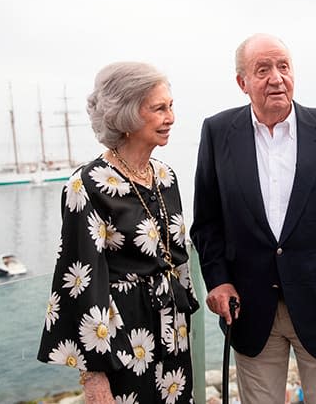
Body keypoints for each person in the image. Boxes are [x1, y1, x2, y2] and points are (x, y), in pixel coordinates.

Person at [191, 33, 316, 403]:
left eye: (283, 67)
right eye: (263, 69)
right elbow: (207, 222)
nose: (276, 77)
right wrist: (218, 282)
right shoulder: (218, 131)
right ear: (243, 82)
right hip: (251, 310)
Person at [37, 62, 199, 403]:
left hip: (174, 339)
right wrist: (94, 379)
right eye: (159, 109)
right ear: (126, 117)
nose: (170, 117)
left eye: (170, 107)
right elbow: (80, 280)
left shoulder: (166, 176)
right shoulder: (88, 184)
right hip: (122, 344)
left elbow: (177, 260)